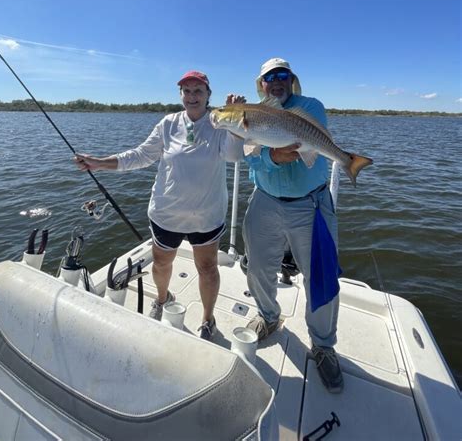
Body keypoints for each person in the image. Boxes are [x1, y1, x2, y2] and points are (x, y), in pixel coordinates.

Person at [75, 71, 244, 341]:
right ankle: (162, 300)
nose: (192, 96)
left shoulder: (220, 122)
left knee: (208, 268)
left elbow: (234, 155)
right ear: (180, 95)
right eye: (186, 91)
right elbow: (141, 155)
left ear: (208, 95)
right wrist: (98, 162)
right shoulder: (168, 123)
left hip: (206, 215)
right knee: (162, 263)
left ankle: (207, 319)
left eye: (198, 91)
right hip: (167, 213)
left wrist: (235, 118)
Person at [242, 57, 343, 393]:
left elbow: (303, 141)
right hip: (266, 200)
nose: (277, 81)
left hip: (310, 203)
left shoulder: (310, 106)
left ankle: (324, 345)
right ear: (262, 85)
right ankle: (269, 318)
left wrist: (272, 149)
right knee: (256, 266)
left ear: (292, 80)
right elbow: (252, 158)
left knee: (321, 276)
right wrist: (269, 157)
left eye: (282, 75)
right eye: (270, 78)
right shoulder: (252, 114)